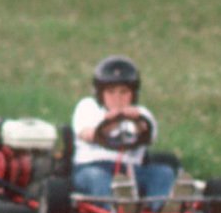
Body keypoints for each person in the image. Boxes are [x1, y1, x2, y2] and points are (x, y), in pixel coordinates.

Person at [71, 54, 176, 204]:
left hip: (132, 170)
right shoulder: (88, 107)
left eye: (124, 92)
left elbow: (149, 136)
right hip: (92, 167)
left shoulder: (141, 113)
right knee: (98, 178)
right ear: (100, 93)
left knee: (164, 173)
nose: (118, 97)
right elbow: (87, 134)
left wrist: (137, 121)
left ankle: (162, 205)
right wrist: (113, 120)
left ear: (133, 94)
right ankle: (116, 204)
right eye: (111, 92)